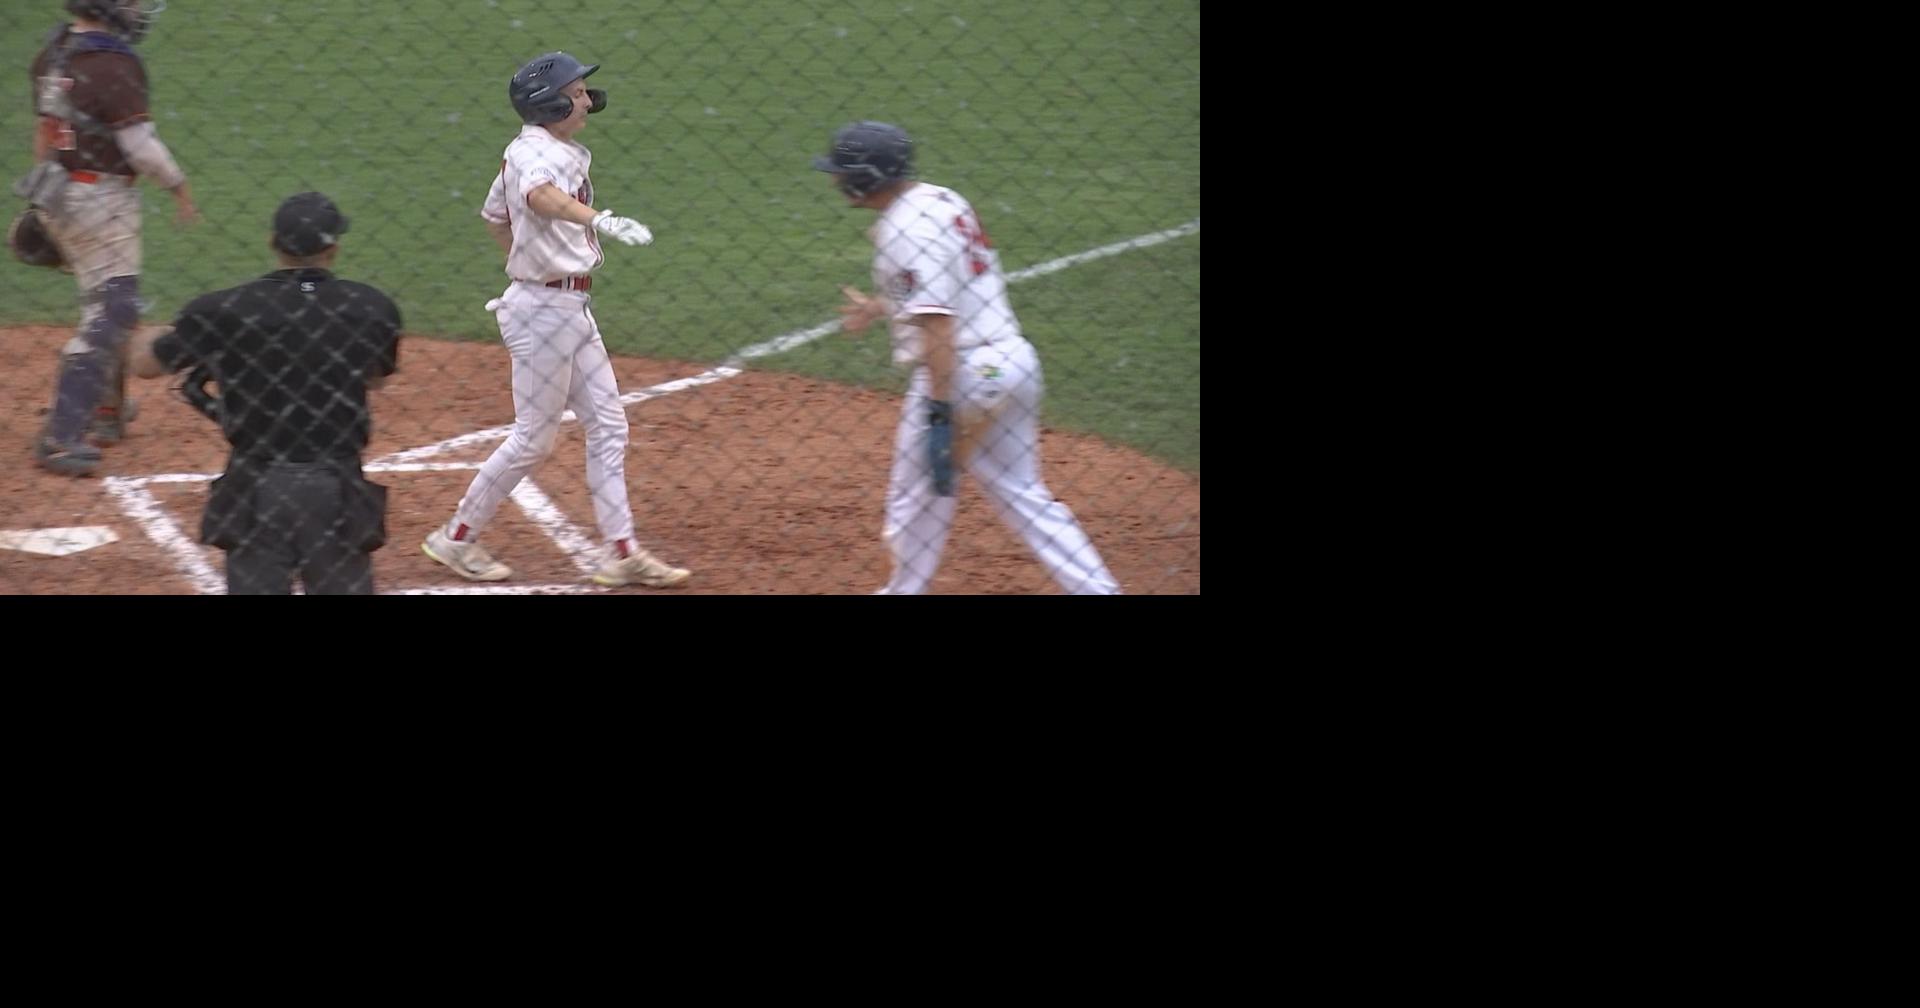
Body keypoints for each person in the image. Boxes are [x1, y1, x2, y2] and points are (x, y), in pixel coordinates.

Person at [419, 50, 691, 589]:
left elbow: (495, 215)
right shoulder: (535, 154)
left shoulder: (545, 149)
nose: (587, 97)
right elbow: (538, 197)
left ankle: (623, 551)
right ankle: (454, 539)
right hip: (545, 312)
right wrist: (597, 220)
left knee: (609, 425)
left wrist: (526, 264)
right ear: (551, 101)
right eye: (578, 90)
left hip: (564, 306)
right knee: (532, 439)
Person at [816, 121, 1122, 595]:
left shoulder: (903, 228)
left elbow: (938, 323)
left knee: (915, 501)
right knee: (1023, 495)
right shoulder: (941, 199)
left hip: (963, 373)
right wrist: (880, 307)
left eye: (841, 171)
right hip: (1014, 363)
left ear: (866, 176)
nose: (835, 179)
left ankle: (902, 590)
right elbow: (952, 282)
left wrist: (939, 408)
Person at [128, 192, 400, 595]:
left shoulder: (226, 310)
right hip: (337, 482)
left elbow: (144, 364)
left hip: (256, 483)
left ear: (274, 243)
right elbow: (376, 378)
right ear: (333, 248)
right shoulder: (371, 306)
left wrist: (140, 326)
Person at [24, 0, 199, 476]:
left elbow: (44, 130)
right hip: (101, 199)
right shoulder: (113, 64)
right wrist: (179, 187)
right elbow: (141, 147)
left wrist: (40, 200)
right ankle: (62, 435)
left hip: (59, 192)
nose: (137, 8)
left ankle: (108, 412)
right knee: (113, 311)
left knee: (106, 300)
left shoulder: (55, 52)